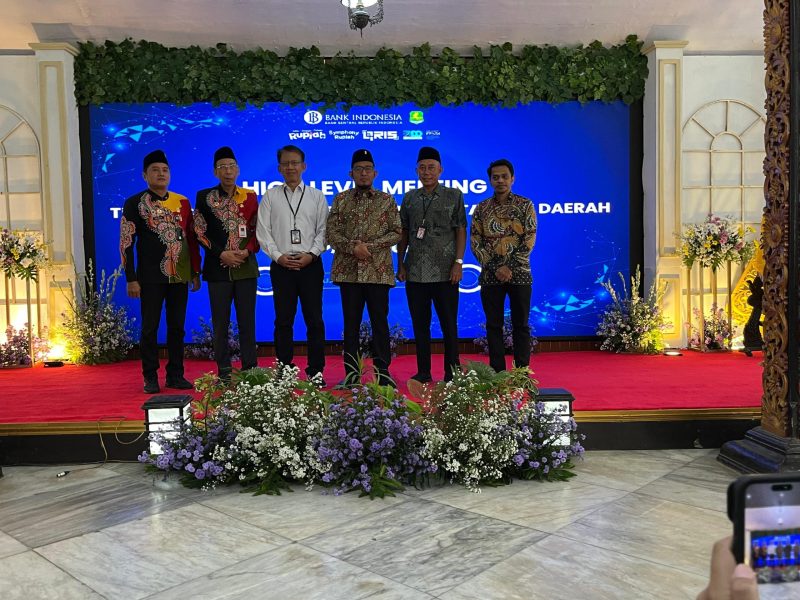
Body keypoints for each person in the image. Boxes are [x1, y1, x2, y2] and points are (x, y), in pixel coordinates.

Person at [120, 149, 201, 394]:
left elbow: (191, 239)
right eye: (155, 170)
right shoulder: (134, 203)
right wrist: (131, 279)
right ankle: (150, 376)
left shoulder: (183, 202)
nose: (161, 174)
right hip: (150, 277)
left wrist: (195, 272)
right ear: (145, 175)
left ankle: (176, 374)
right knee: (150, 327)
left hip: (179, 276)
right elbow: (126, 242)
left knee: (177, 327)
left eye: (165, 170)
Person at [327, 149, 401, 386]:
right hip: (348, 272)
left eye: (367, 169)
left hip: (378, 271)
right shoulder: (341, 199)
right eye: (358, 169)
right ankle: (351, 375)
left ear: (375, 173)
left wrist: (369, 246)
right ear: (351, 173)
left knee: (380, 323)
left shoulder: (386, 200)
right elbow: (331, 232)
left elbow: (397, 232)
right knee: (351, 325)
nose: (363, 173)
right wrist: (352, 247)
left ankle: (382, 373)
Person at [256, 145, 328, 384]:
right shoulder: (270, 196)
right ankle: (284, 370)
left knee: (314, 321)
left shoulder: (317, 196)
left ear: (303, 166)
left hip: (310, 265)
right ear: (279, 168)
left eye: (295, 162)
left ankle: (316, 371)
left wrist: (312, 254)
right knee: (283, 320)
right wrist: (278, 257)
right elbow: (263, 233)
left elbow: (323, 232)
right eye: (286, 163)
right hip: (282, 266)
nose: (290, 167)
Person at [396, 147, 466, 383]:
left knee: (448, 325)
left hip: (446, 272)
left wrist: (458, 262)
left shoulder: (454, 195)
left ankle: (452, 373)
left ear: (440, 170)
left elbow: (460, 230)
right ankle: (424, 371)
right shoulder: (409, 198)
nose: (427, 172)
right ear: (417, 170)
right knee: (420, 325)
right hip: (415, 271)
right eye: (422, 168)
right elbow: (404, 232)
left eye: (431, 168)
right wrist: (400, 263)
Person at [193, 146, 260, 382]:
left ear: (238, 169)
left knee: (247, 321)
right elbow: (199, 231)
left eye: (231, 166)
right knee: (220, 323)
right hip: (217, 269)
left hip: (246, 268)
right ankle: (224, 371)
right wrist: (221, 253)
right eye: (222, 167)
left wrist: (247, 250)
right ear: (215, 172)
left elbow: (257, 230)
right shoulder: (204, 197)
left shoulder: (250, 196)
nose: (228, 171)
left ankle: (251, 368)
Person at [470, 158, 537, 373]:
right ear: (490, 180)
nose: (500, 181)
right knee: (493, 326)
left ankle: (522, 373)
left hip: (520, 274)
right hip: (491, 276)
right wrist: (497, 267)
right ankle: (496, 373)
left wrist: (509, 267)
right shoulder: (481, 209)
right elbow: (475, 242)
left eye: (504, 177)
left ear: (512, 179)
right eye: (495, 177)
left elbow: (529, 239)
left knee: (521, 326)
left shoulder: (525, 205)